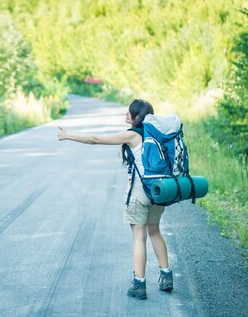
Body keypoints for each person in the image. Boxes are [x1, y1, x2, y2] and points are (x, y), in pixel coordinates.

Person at [56, 99, 173, 300]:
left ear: (138, 117)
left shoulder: (132, 135)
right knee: (155, 232)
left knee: (139, 237)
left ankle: (139, 284)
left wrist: (68, 135)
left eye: (130, 113)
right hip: (158, 189)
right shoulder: (158, 135)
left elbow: (95, 139)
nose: (126, 115)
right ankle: (166, 276)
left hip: (139, 191)